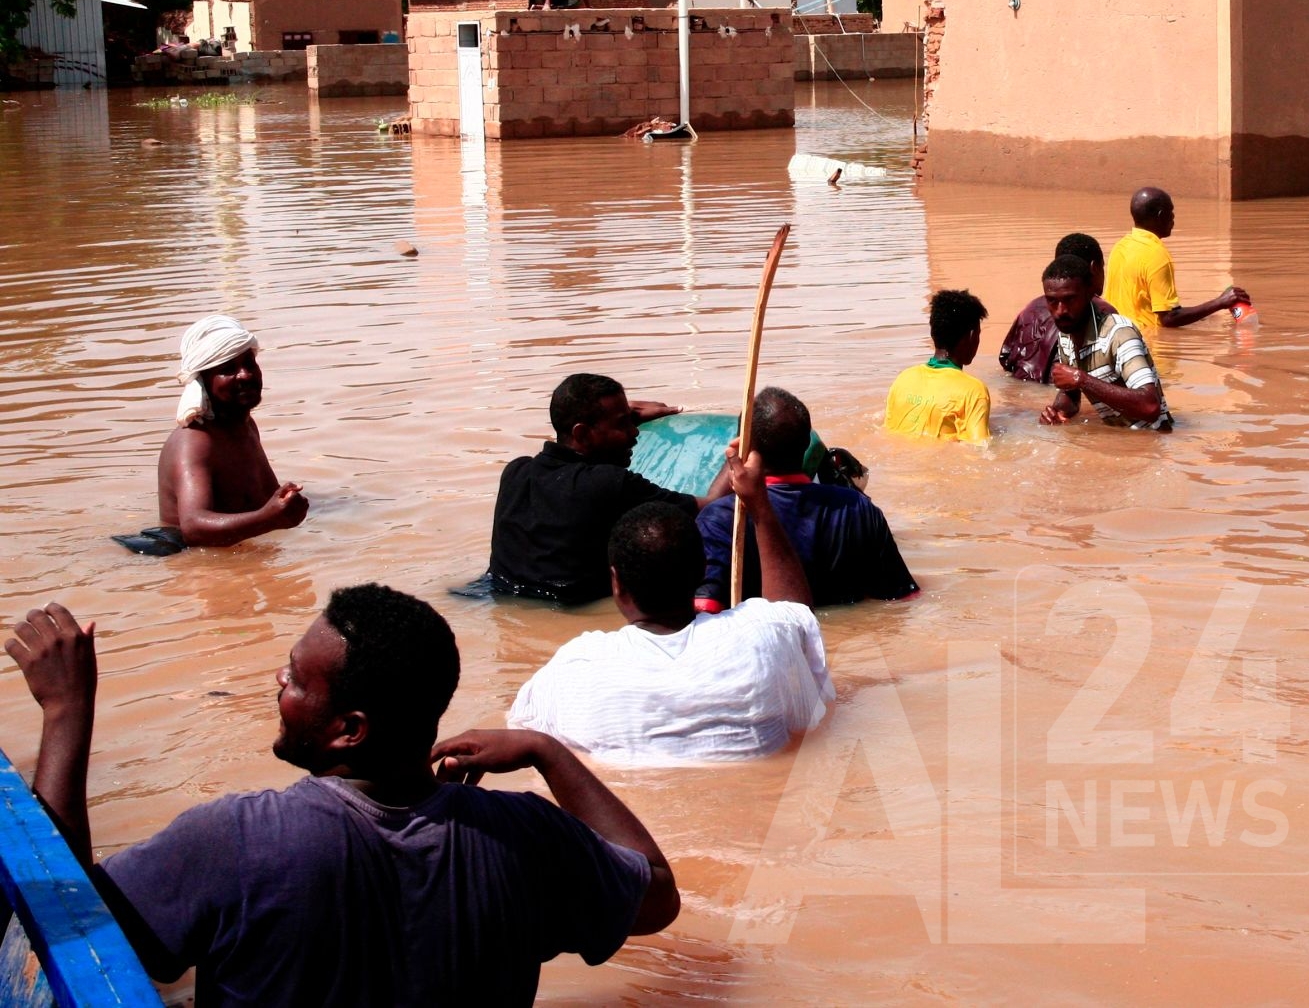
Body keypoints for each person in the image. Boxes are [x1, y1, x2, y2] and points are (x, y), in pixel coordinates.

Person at [4, 584, 679, 1005]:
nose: (278, 680)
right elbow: (655, 893)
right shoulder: (523, 834)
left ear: (348, 730)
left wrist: (67, 715)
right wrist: (545, 750)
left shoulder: (235, 839)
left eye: (296, 679)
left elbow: (64, 936)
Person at [507, 454, 834, 765]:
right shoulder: (759, 638)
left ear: (615, 582)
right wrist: (759, 506)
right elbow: (796, 615)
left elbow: (524, 735)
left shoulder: (574, 667)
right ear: (705, 569)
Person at [490, 373, 719, 604]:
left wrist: (622, 416)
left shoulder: (516, 472)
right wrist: (744, 443)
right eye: (622, 424)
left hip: (497, 595)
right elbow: (711, 508)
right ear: (582, 433)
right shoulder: (608, 483)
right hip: (571, 609)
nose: (634, 432)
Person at [696, 387, 917, 612]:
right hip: (843, 642)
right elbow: (901, 599)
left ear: (743, 446)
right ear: (807, 444)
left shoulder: (721, 519)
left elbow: (705, 608)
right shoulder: (858, 507)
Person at [118, 314, 307, 556]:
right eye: (228, 369)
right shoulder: (195, 441)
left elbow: (265, 498)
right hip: (189, 558)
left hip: (240, 553)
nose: (245, 375)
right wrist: (268, 519)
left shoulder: (244, 424)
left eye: (249, 363)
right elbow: (194, 528)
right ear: (204, 381)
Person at [1038, 255, 1172, 431]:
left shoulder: (1119, 334)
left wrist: (1082, 379)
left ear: (1089, 293)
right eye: (1052, 301)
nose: (1061, 311)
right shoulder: (1066, 334)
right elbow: (1070, 393)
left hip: (1153, 441)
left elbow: (1150, 406)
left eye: (1070, 299)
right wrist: (1057, 411)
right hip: (1120, 442)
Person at [1104, 186, 1250, 332]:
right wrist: (1219, 303)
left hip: (1118, 337)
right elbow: (1169, 318)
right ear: (1161, 216)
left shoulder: (1120, 247)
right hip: (1146, 344)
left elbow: (1141, 307)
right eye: (1171, 212)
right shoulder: (1157, 255)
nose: (1173, 217)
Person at [999, 233, 1115, 382]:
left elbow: (1006, 359)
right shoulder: (1103, 312)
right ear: (1094, 268)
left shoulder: (1029, 310)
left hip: (1024, 391)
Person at [885, 289, 992, 443]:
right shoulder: (974, 391)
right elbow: (980, 450)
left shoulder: (903, 379)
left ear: (933, 332)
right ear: (972, 335)